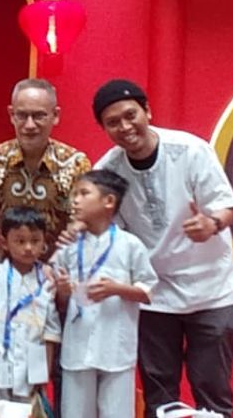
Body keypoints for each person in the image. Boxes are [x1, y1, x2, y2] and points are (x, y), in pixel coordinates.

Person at [91, 80, 233, 418]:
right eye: (113, 122)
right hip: (155, 296)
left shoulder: (190, 150)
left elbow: (227, 208)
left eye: (131, 115)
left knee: (212, 390)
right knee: (159, 395)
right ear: (104, 128)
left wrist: (212, 224)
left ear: (147, 111)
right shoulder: (106, 172)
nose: (125, 127)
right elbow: (109, 234)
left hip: (213, 291)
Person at [52, 170, 157, 418]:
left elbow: (149, 291)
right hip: (77, 346)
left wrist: (117, 289)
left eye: (83, 193)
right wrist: (63, 291)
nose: (75, 201)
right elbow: (60, 299)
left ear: (108, 202)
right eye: (74, 195)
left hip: (115, 346)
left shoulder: (130, 245)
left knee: (117, 413)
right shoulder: (68, 248)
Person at [0, 79, 91, 275]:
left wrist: (58, 262)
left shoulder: (75, 163)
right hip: (6, 272)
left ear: (55, 115)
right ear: (11, 115)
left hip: (59, 273)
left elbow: (85, 216)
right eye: (22, 115)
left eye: (39, 116)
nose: (30, 125)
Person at [0, 206, 59, 406]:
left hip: (31, 369)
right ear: (5, 243)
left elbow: (50, 333)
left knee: (26, 410)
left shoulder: (47, 283)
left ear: (44, 243)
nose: (28, 248)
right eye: (20, 241)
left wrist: (45, 370)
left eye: (35, 241)